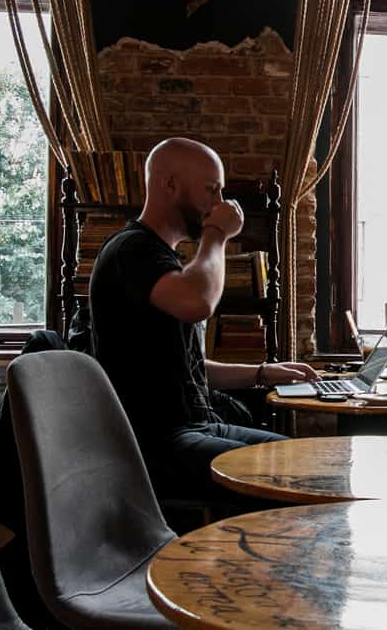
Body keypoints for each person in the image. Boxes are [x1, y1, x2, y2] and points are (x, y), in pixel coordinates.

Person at [89, 137, 319, 500]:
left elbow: (188, 367)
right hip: (155, 442)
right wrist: (216, 235)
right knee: (284, 476)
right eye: (211, 190)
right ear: (169, 185)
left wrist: (262, 373)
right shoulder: (130, 250)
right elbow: (199, 302)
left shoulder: (163, 260)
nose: (219, 202)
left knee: (301, 458)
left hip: (199, 425)